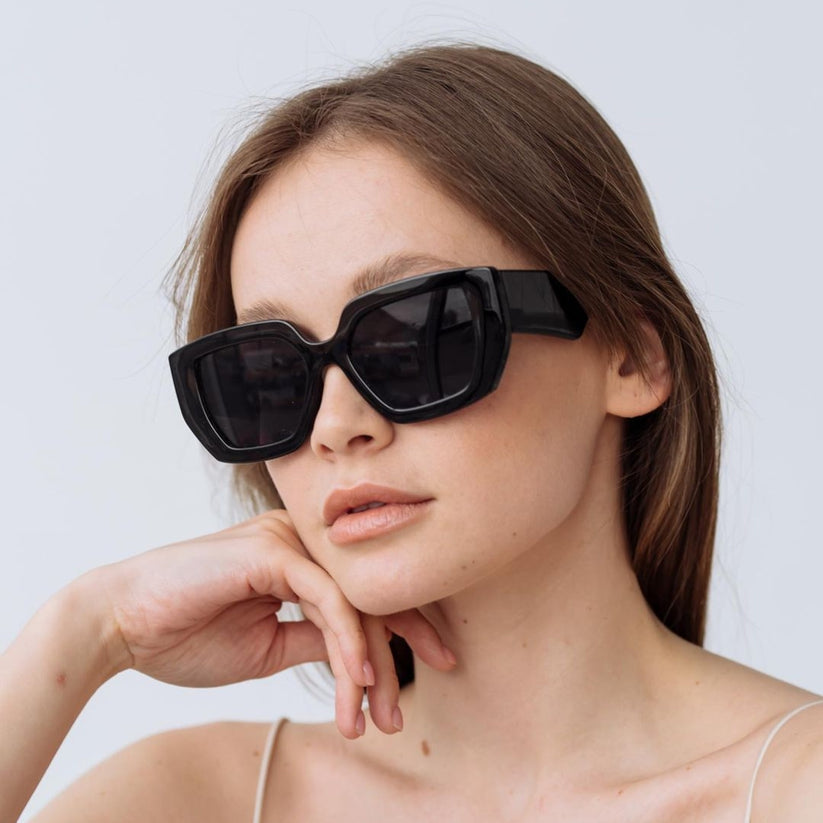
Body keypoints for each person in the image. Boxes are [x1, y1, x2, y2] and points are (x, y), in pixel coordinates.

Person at [3, 41, 822, 823]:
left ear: (632, 357)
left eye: (414, 337)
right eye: (270, 373)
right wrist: (89, 629)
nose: (334, 426)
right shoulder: (193, 797)